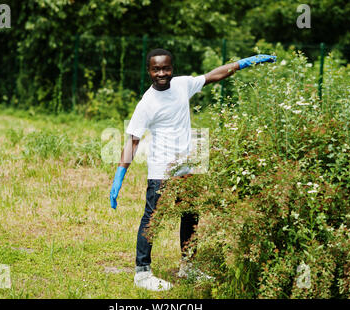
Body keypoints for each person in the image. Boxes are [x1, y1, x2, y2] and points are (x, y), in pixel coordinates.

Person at [110, 48, 276, 291]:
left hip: (187, 167)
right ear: (149, 71)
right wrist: (119, 175)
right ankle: (142, 273)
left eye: (166, 68)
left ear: (172, 68)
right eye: (156, 69)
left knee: (191, 216)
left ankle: (189, 266)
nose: (162, 73)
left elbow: (214, 75)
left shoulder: (182, 85)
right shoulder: (146, 103)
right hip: (161, 172)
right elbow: (133, 141)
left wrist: (245, 63)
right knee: (152, 219)